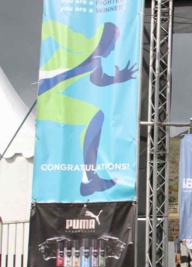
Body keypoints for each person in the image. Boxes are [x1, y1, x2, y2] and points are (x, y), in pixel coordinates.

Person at [37, 21, 138, 196]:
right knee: (95, 116)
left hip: (53, 96)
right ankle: (89, 180)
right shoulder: (80, 43)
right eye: (113, 43)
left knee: (94, 117)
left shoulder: (95, 60)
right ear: (105, 39)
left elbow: (98, 80)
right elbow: (52, 27)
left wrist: (120, 77)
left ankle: (88, 179)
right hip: (48, 95)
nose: (113, 49)